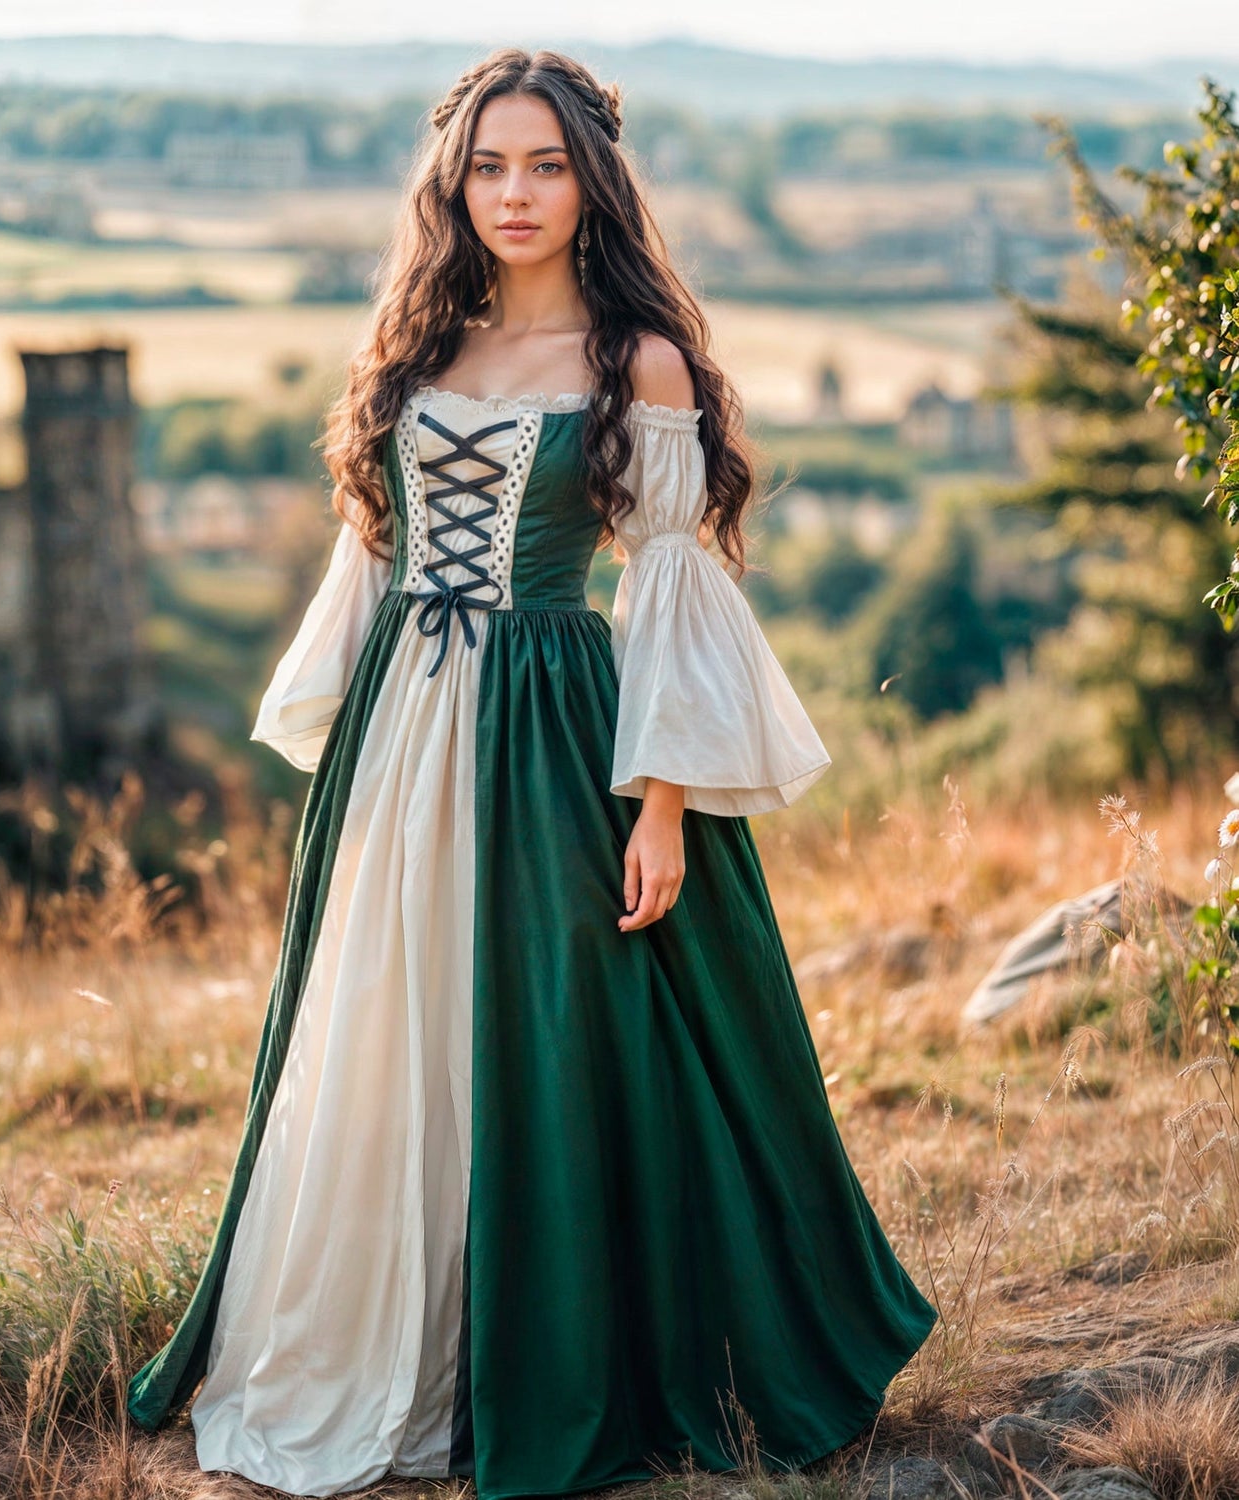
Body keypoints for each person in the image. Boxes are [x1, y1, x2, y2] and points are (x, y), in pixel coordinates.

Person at [126, 45, 938, 1500]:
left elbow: (673, 588)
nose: (516, 192)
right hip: (403, 735)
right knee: (396, 1029)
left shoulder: (639, 365)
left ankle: (574, 1358)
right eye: (490, 165)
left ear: (593, 181)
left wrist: (666, 804)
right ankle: (406, 1341)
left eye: (546, 164)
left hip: (559, 727)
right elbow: (371, 558)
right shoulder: (417, 352)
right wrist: (349, 772)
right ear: (454, 183)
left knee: (566, 1038)